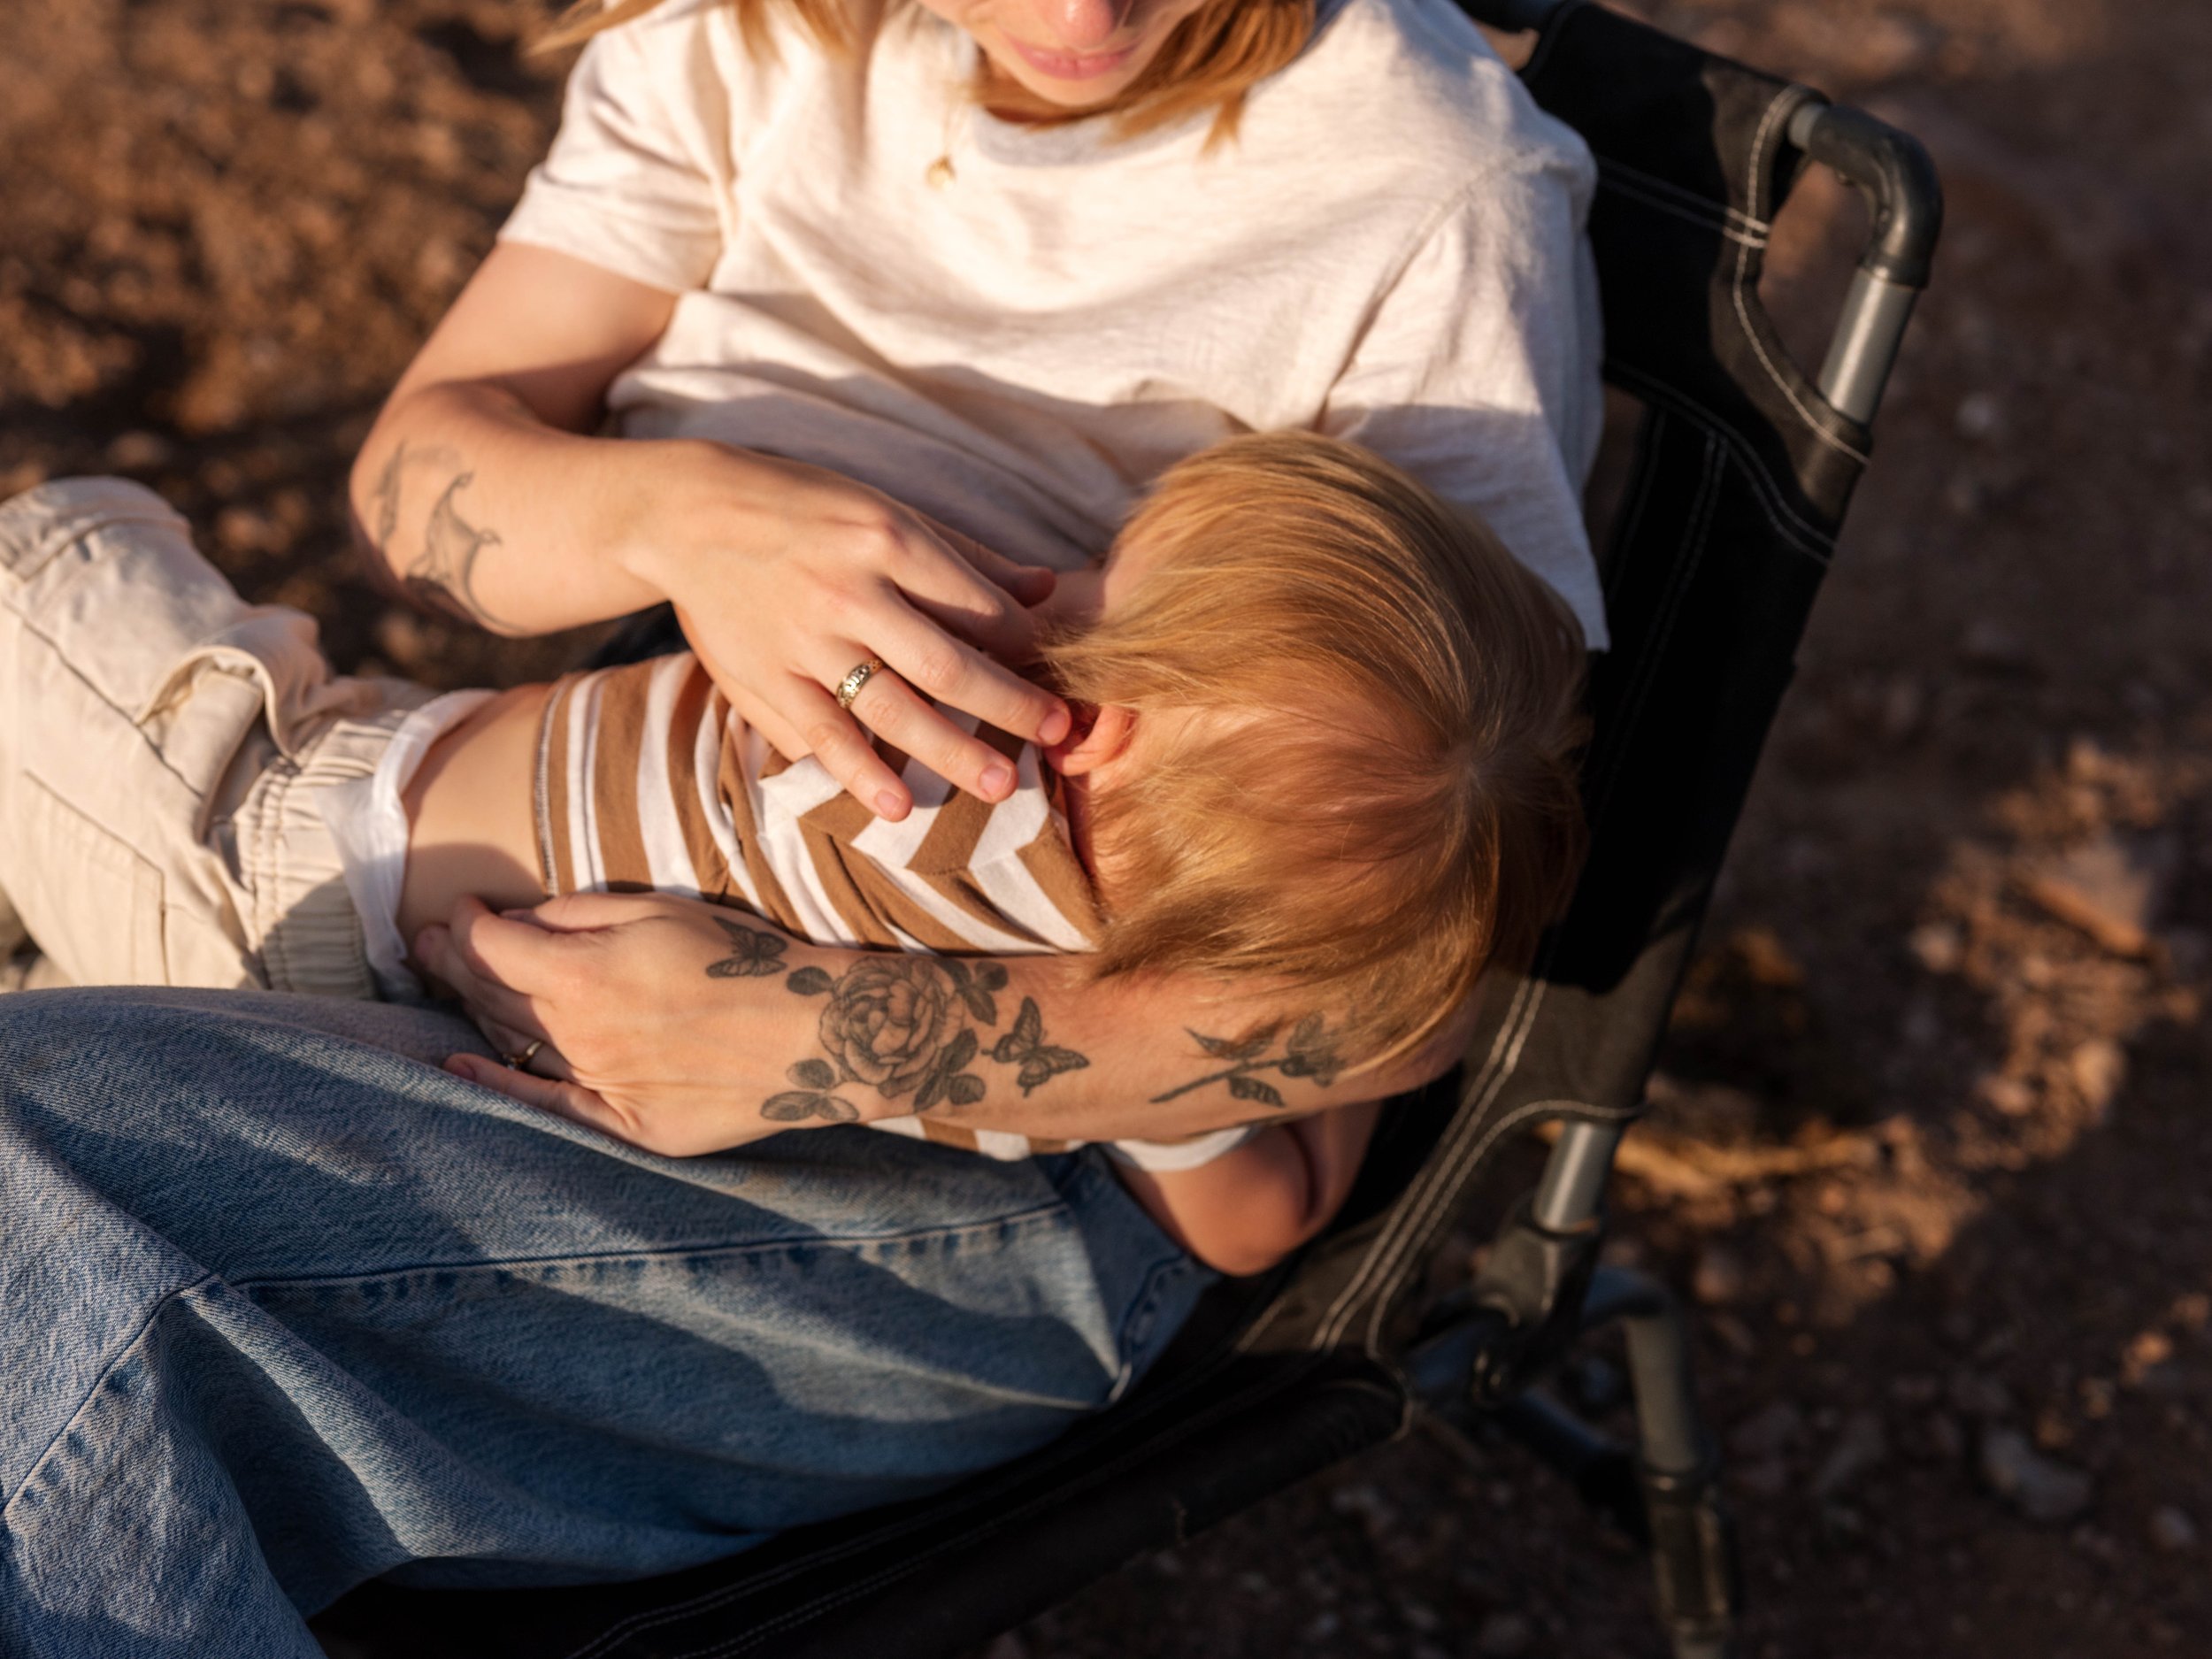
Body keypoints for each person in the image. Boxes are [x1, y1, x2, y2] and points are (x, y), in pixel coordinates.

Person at [1, 1, 1607, 1651]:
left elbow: (1417, 946)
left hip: (1007, 1131)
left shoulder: (1426, 187)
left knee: (32, 1176)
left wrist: (850, 1041)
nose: (1082, 15)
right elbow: (421, 484)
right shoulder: (747, 42)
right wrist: (687, 517)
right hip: (564, 898)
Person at [0, 431, 1586, 1278]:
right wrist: (1327, 971)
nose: (1052, 599)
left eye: (1108, 594)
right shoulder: (1066, 985)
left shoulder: (927, 709)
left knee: (51, 551)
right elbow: (1255, 1222)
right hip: (398, 1023)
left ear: (1103, 725)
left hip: (267, 839)